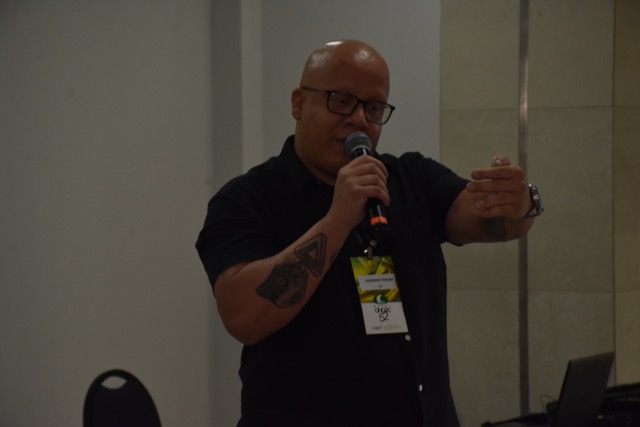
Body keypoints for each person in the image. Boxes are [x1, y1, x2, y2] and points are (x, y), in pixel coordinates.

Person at [196, 40, 542, 427]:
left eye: (374, 108)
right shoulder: (247, 199)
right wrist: (339, 218)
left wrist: (521, 204)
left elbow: (491, 222)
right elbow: (244, 316)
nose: (359, 120)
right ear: (298, 103)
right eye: (341, 100)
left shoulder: (409, 178)